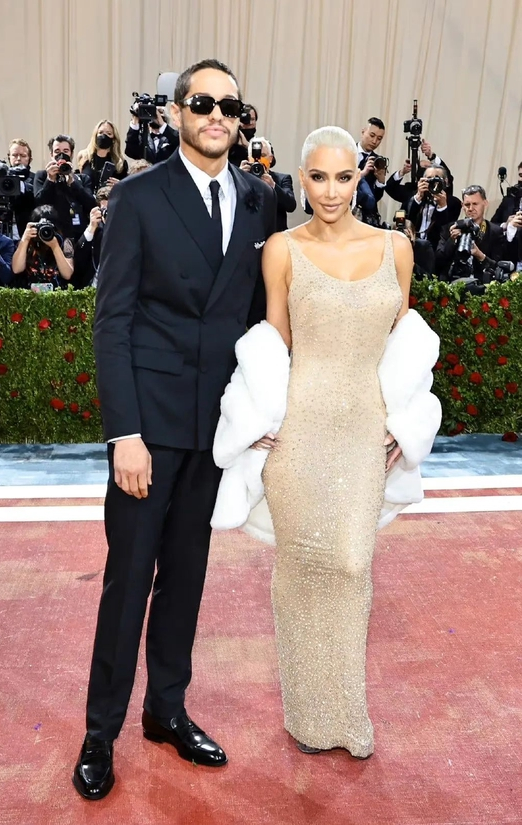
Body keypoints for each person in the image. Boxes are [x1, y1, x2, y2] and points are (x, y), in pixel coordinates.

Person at [73, 58, 276, 801]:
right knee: (129, 583)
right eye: (203, 102)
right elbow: (113, 322)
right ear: (177, 113)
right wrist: (124, 432)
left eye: (230, 105)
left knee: (186, 578)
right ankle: (100, 733)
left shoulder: (261, 200)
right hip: (149, 430)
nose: (218, 115)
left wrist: (262, 413)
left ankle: (166, 710)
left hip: (215, 428)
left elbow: (258, 321)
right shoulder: (136, 197)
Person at [259, 126, 413, 759]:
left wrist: (407, 420)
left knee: (351, 564)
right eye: (318, 177)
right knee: (301, 569)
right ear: (302, 179)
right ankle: (307, 715)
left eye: (343, 177)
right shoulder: (281, 249)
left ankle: (346, 714)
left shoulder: (396, 247)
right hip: (299, 430)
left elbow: (405, 350)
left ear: (359, 178)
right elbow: (274, 343)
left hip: (362, 430)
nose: (330, 190)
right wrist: (256, 416)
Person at [435, 185, 506, 281]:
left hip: (482, 283)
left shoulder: (495, 231)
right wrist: (452, 240)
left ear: (485, 203)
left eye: (475, 204)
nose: (471, 208)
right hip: (452, 282)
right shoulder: (450, 228)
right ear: (462, 205)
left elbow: (498, 268)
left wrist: (480, 255)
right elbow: (438, 262)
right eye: (467, 204)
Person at [34, 134, 96, 241]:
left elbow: (91, 204)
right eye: (57, 151)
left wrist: (73, 182)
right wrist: (50, 180)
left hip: (78, 234)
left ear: (71, 154)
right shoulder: (42, 176)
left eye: (66, 151)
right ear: (51, 155)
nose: (61, 155)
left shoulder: (82, 178)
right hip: (52, 233)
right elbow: (39, 203)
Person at [240, 137, 296, 231]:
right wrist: (238, 177)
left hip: (275, 234)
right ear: (248, 158)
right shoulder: (241, 179)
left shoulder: (282, 179)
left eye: (263, 155)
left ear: (270, 158)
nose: (258, 160)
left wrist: (273, 186)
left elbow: (291, 206)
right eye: (254, 156)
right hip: (248, 233)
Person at [11, 205, 74, 289]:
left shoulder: (63, 243)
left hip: (57, 293)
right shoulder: (27, 242)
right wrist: (25, 239)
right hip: (29, 293)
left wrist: (55, 247)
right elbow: (16, 269)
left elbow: (67, 274)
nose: (45, 231)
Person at [406, 163, 461, 250]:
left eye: (437, 178)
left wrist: (442, 207)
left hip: (436, 250)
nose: (433, 182)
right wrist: (418, 197)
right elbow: (408, 221)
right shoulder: (415, 198)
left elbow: (445, 232)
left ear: (446, 182)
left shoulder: (454, 202)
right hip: (413, 246)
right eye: (429, 179)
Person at [72, 186, 110, 288]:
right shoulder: (96, 230)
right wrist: (91, 227)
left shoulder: (128, 229)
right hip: (95, 287)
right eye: (105, 210)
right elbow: (78, 258)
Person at [76, 120, 128, 193]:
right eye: (100, 132)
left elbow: (127, 189)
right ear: (95, 135)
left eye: (109, 133)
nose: (104, 136)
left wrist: (120, 186)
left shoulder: (120, 162)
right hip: (88, 198)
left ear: (114, 138)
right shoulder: (84, 156)